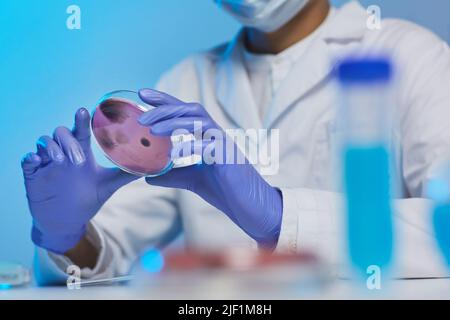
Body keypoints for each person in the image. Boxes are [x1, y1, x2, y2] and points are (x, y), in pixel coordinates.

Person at [22, 0, 450, 284]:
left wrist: (282, 218)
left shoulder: (410, 54)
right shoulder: (186, 81)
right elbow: (102, 261)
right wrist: (65, 234)